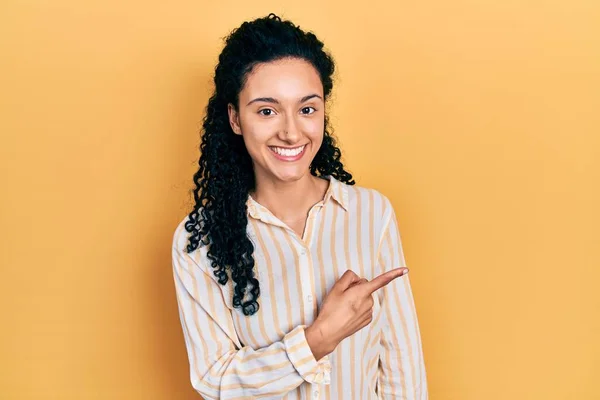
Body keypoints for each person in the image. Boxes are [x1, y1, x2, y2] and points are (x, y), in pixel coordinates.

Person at [171, 13, 428, 399]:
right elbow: (215, 381)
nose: (291, 132)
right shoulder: (199, 243)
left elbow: (402, 372)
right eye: (267, 110)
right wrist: (316, 341)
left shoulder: (371, 215)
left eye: (307, 109)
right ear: (235, 118)